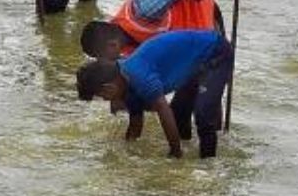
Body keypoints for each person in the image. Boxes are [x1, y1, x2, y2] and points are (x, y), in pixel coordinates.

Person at [79, 0, 244, 139]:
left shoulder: (142, 11)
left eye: (102, 57)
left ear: (112, 45)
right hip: (183, 52)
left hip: (202, 22)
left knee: (205, 93)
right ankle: (192, 149)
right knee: (181, 109)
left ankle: (217, 143)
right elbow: (150, 93)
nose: (103, 62)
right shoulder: (126, 53)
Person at [76, 29, 233, 158]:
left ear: (109, 88)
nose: (105, 100)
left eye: (102, 96)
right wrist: (127, 152)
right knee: (179, 114)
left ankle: (207, 168)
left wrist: (174, 153)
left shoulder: (137, 74)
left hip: (214, 52)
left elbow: (163, 109)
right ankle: (190, 150)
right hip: (192, 64)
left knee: (203, 115)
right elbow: (135, 124)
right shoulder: (126, 86)